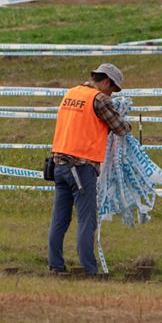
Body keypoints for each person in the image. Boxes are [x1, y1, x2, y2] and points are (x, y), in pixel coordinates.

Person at [47, 63, 131, 276]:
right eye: (112, 90)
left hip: (59, 164)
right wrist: (127, 122)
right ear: (106, 82)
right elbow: (120, 128)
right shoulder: (99, 99)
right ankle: (89, 270)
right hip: (81, 167)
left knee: (60, 218)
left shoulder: (71, 93)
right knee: (87, 220)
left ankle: (55, 265)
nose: (112, 95)